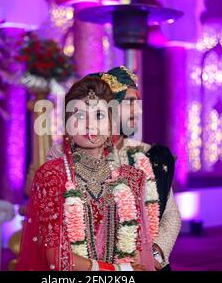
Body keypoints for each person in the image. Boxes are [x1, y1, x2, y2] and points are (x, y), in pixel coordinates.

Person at [47, 66, 181, 270]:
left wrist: (153, 255)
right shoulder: (60, 157)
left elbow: (170, 217)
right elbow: (53, 232)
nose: (139, 110)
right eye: (130, 103)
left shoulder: (147, 156)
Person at [16, 76, 158, 271]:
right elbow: (57, 256)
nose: (89, 124)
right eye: (80, 116)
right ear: (67, 124)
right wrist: (117, 271)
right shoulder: (52, 175)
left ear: (111, 125)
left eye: (99, 115)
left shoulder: (131, 178)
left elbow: (137, 254)